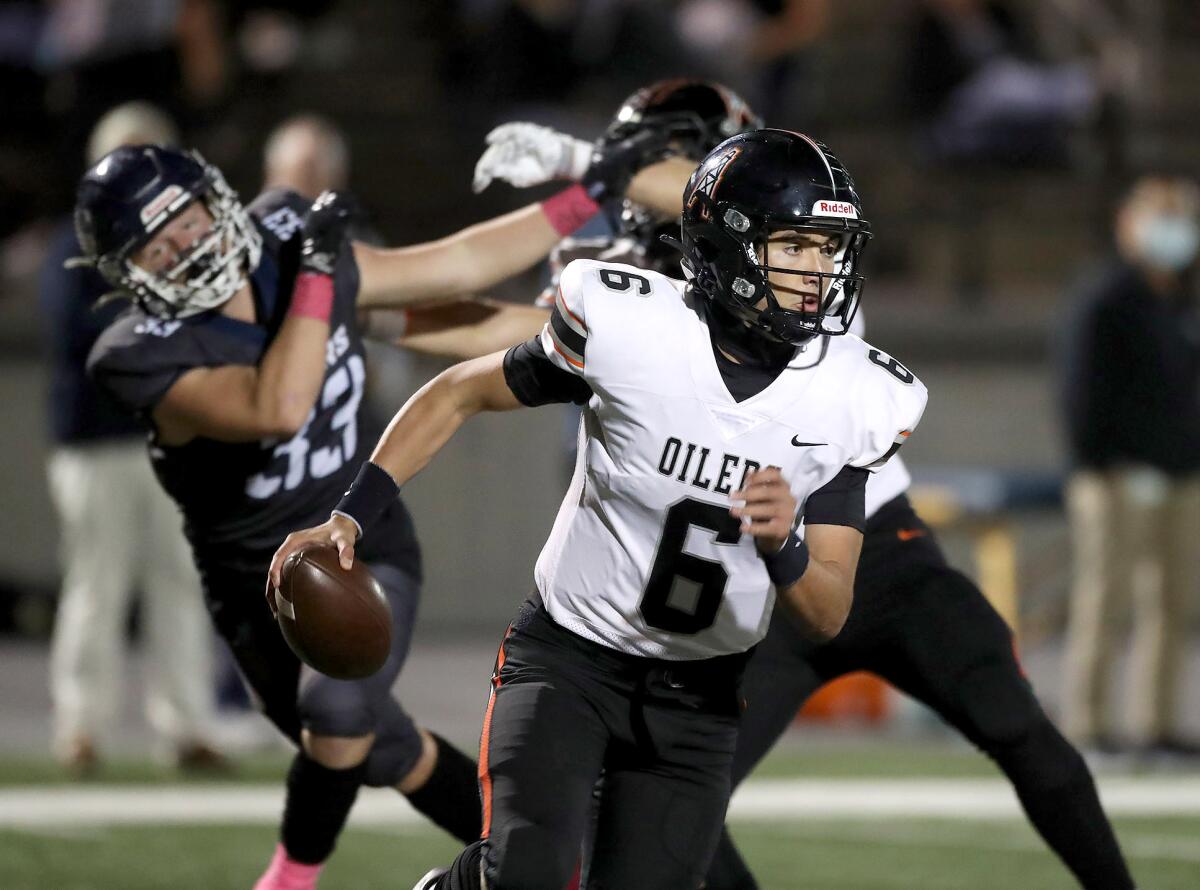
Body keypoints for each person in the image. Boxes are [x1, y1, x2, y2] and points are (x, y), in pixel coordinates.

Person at [472, 79, 1137, 889]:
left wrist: (587, 170)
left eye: (668, 159)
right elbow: (482, 321)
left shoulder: (793, 250)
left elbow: (752, 204)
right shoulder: (643, 291)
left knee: (1017, 725)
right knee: (677, 801)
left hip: (875, 549)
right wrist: (358, 298)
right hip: (750, 581)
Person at [270, 128, 927, 890]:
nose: (820, 271)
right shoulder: (632, 328)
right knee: (528, 877)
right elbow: (460, 391)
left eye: (829, 248)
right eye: (797, 246)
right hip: (569, 661)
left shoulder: (858, 396)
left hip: (700, 696)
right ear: (732, 244)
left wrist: (786, 547)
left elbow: (827, 613)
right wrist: (350, 516)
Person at [78, 133, 659, 889]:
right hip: (260, 589)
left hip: (357, 538)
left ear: (214, 199)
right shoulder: (136, 353)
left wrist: (590, 203)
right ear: (129, 274)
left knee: (340, 712)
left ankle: (288, 879)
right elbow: (278, 406)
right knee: (384, 748)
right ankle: (549, 867)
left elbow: (455, 271)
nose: (184, 245)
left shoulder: (286, 240)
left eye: (185, 218)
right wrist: (320, 275)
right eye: (156, 245)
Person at [42, 101, 225, 776]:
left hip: (172, 438)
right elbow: (92, 341)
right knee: (98, 582)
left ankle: (186, 725)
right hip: (99, 440)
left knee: (179, 580)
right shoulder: (79, 243)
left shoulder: (193, 244)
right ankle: (81, 726)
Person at [1059, 175, 1200, 760]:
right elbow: (1080, 392)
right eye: (1160, 217)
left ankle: (1157, 726)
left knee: (1173, 604)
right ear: (1130, 226)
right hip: (1113, 477)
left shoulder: (1182, 301)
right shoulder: (1105, 298)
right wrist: (1105, 461)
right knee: (1105, 601)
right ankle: (1088, 728)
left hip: (1180, 475)